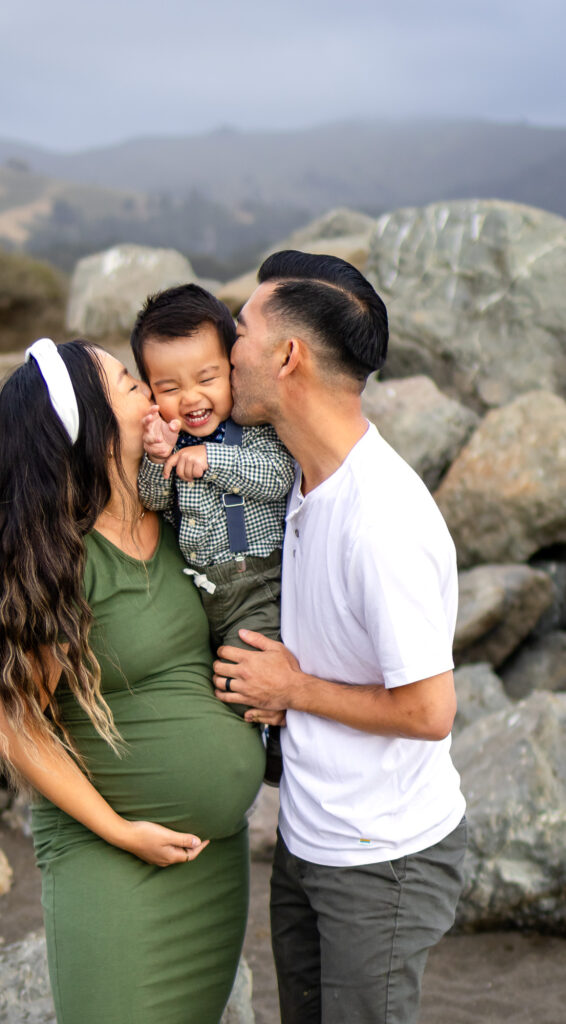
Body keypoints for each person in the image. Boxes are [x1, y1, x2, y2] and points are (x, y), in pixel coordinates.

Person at [0, 337, 265, 1024]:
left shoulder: (178, 517)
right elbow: (12, 723)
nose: (152, 393)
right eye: (131, 383)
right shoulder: (60, 560)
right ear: (93, 427)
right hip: (115, 859)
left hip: (211, 863)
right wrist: (122, 831)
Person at [212, 251, 467, 1024]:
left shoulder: (382, 518)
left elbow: (430, 713)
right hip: (312, 840)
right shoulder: (297, 474)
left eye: (242, 329)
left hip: (380, 862)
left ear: (287, 357)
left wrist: (293, 690)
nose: (229, 347)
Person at [130, 283, 294, 785]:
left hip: (256, 581)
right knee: (219, 678)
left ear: (232, 369)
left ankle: (282, 747)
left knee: (258, 659)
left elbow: (278, 478)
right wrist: (159, 461)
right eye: (170, 388)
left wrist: (211, 460)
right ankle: (231, 747)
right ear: (151, 392)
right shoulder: (168, 441)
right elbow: (154, 502)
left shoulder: (255, 431)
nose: (192, 398)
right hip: (200, 594)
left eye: (206, 378)